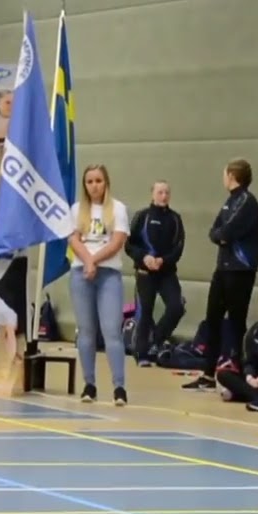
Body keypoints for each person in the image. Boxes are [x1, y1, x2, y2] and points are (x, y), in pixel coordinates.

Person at [182, 159, 258, 391]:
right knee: (213, 319)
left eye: (225, 174)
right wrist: (220, 235)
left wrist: (222, 235)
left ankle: (235, 369)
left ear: (232, 176)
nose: (223, 178)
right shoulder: (229, 201)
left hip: (240, 269)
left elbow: (228, 231)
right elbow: (215, 231)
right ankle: (208, 373)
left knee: (236, 321)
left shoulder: (247, 202)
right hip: (223, 268)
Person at [67, 164, 130, 406]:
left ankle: (119, 387)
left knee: (112, 330)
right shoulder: (76, 210)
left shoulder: (117, 209)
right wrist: (86, 261)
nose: (94, 185)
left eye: (99, 181)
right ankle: (89, 384)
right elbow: (73, 239)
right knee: (86, 331)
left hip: (108, 274)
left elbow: (117, 241)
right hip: (81, 273)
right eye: (90, 181)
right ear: (85, 185)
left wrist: (94, 260)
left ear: (106, 183)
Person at [126, 180, 187, 365]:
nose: (164, 195)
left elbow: (179, 247)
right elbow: (129, 245)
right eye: (160, 192)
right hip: (145, 272)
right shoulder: (142, 216)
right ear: (152, 194)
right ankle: (142, 354)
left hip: (166, 272)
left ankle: (155, 340)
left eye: (167, 192)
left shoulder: (175, 219)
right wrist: (144, 258)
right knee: (145, 311)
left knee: (176, 307)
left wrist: (164, 260)